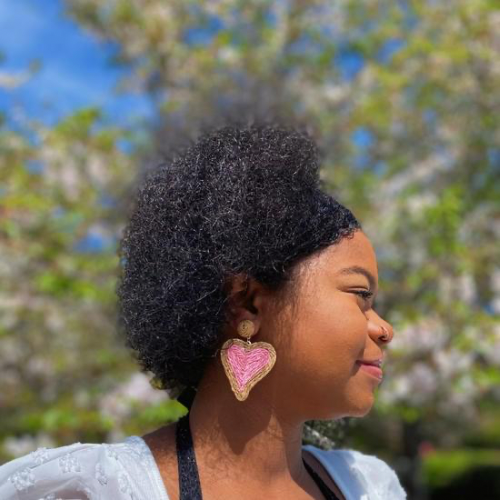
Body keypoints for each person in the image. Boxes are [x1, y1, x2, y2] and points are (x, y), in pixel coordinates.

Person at [0, 123, 407, 499]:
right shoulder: (98, 489)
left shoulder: (367, 486)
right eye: (359, 294)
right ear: (247, 301)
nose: (384, 328)